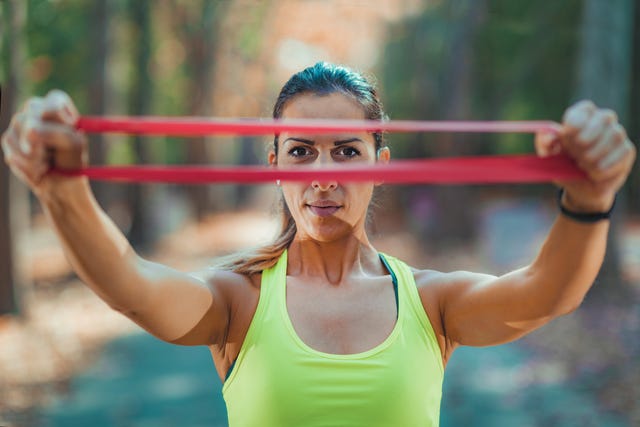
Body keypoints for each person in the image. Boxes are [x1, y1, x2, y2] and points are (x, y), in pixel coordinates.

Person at [1, 62, 636, 426]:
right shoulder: (236, 301)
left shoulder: (431, 301)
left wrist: (588, 198)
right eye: (301, 152)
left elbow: (544, 294)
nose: (324, 176)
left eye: (348, 152)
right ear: (275, 162)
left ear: (380, 163)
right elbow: (131, 286)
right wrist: (63, 190)